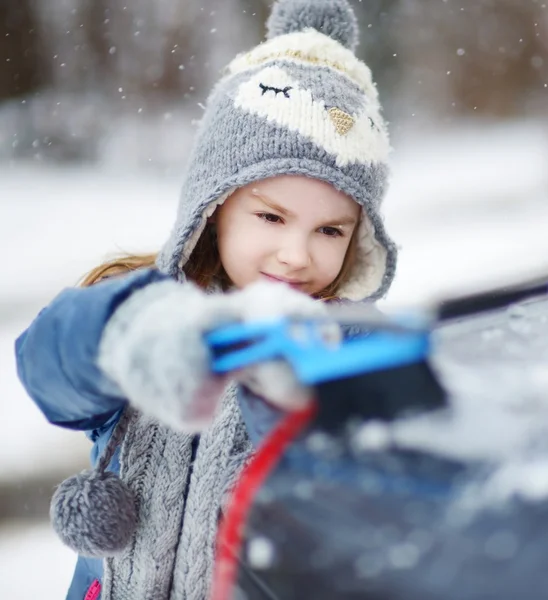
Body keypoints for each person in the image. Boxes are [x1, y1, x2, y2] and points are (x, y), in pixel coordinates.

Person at [15, 0, 397, 598]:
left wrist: (284, 388)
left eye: (330, 230)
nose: (297, 254)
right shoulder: (149, 303)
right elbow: (45, 364)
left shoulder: (353, 342)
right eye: (272, 216)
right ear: (214, 206)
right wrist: (127, 333)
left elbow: (361, 488)